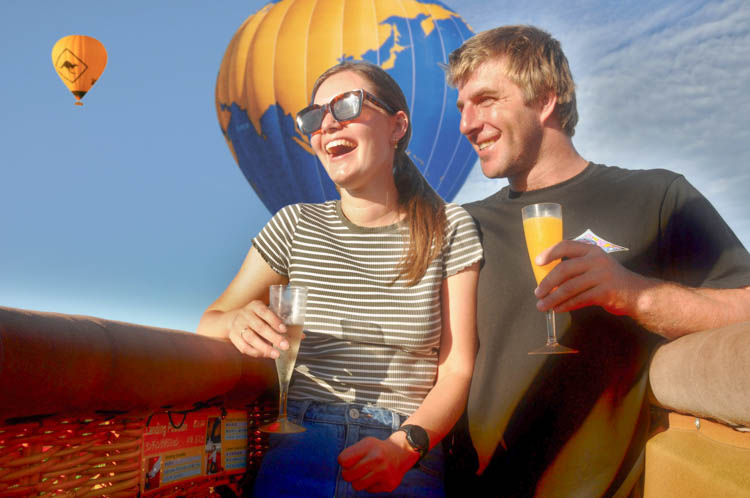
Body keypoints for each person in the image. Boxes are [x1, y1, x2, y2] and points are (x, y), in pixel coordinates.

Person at [443, 25, 750, 497]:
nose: (466, 123)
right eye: (462, 107)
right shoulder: (464, 225)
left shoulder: (657, 196)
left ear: (545, 99)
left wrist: (633, 294)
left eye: (485, 100)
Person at [197, 61, 482, 496]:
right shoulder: (294, 225)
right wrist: (237, 322)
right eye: (314, 117)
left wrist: (405, 447)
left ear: (397, 125)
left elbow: (457, 368)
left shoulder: (450, 227)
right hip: (300, 443)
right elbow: (211, 320)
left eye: (346, 106)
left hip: (404, 454)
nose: (327, 124)